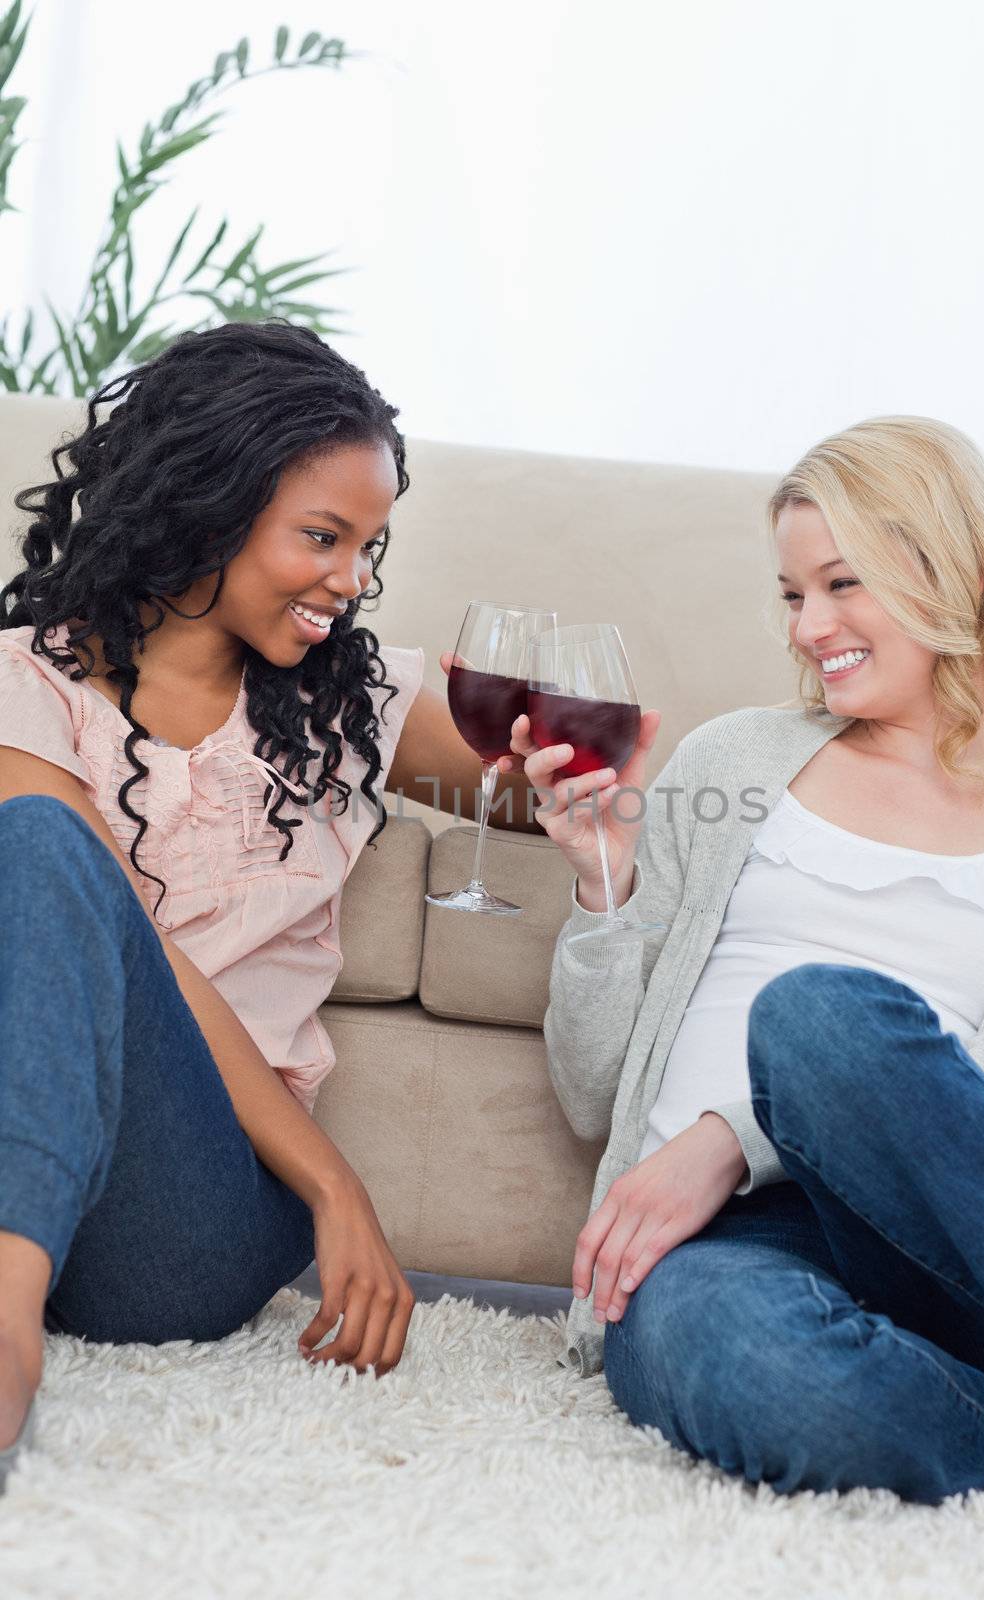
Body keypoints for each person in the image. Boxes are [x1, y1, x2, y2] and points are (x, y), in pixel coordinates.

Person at [0, 321, 540, 1487]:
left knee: (43, 841)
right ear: (205, 505)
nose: (349, 580)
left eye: (368, 546)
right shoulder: (24, 680)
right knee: (43, 845)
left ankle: (3, 1350)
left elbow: (554, 775)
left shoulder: (360, 704)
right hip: (35, 1142)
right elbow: (114, 943)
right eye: (321, 536)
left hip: (193, 1216)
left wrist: (584, 781)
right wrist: (341, 1182)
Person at [511, 415, 984, 1504]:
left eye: (840, 583)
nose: (808, 627)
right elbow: (588, 1096)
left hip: (928, 1240)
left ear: (948, 572)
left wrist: (730, 1136)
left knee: (818, 1015)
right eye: (789, 593)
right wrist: (600, 885)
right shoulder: (733, 759)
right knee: (784, 1384)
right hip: (708, 1254)